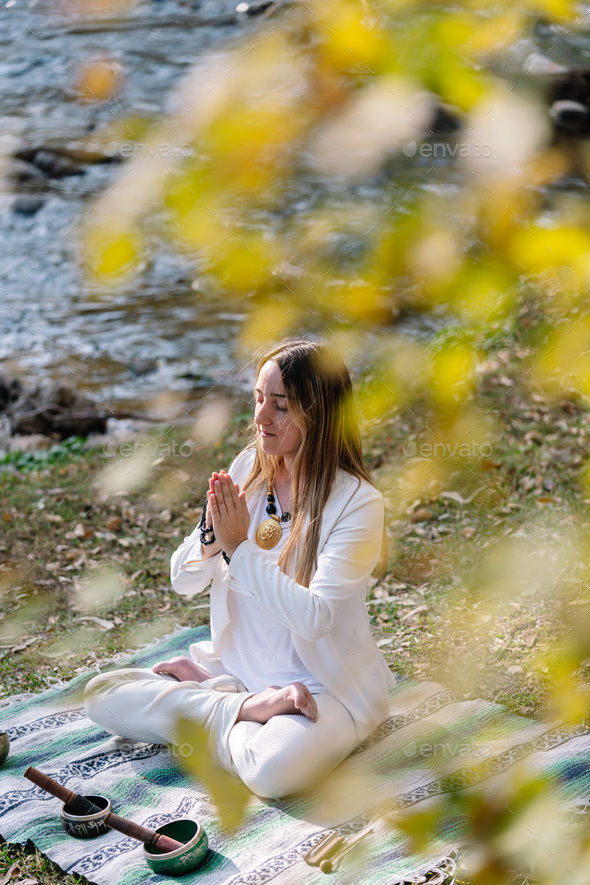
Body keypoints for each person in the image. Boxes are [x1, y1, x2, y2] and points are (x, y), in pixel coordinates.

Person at [84, 338, 395, 800]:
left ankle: (218, 706)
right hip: (239, 672)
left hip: (319, 692)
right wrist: (212, 537)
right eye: (258, 399)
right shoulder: (250, 468)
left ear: (321, 413)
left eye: (280, 405)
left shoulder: (358, 505)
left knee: (271, 771)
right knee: (101, 695)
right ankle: (244, 704)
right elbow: (183, 580)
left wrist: (239, 547)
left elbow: (315, 616)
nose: (260, 418)